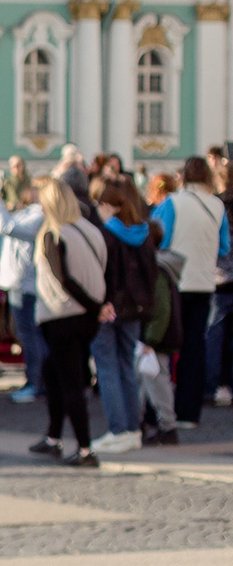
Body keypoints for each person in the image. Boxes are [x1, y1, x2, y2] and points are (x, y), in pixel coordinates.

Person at [89, 176, 171, 453]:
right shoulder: (144, 233)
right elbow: (151, 275)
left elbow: (102, 273)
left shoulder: (106, 234)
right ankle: (132, 429)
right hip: (136, 308)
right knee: (126, 368)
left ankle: (118, 429)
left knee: (108, 368)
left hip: (110, 307)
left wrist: (102, 302)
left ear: (109, 205)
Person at [31, 176, 105, 468]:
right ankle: (53, 436)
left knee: (71, 381)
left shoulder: (54, 234)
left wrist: (92, 305)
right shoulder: (90, 230)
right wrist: (96, 306)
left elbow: (64, 280)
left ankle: (85, 448)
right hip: (85, 317)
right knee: (53, 371)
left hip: (63, 315)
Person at [153, 156, 227, 431]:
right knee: (194, 348)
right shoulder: (216, 205)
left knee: (164, 344)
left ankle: (159, 410)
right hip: (204, 282)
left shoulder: (172, 203)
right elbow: (223, 247)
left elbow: (160, 238)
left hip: (175, 282)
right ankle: (189, 412)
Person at [0, 167, 47, 404]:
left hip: (25, 283)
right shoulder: (32, 212)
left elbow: (7, 227)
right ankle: (36, 379)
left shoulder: (40, 214)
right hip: (19, 281)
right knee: (28, 333)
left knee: (30, 334)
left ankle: (37, 381)